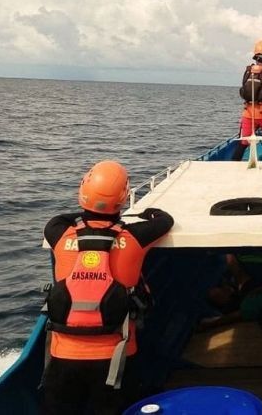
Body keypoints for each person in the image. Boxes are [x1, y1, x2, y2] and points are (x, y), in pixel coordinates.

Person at [41, 160, 174, 415]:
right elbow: (164, 221)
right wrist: (148, 214)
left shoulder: (58, 233)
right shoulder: (135, 237)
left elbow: (59, 218)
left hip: (62, 357)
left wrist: (87, 215)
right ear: (123, 199)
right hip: (117, 357)